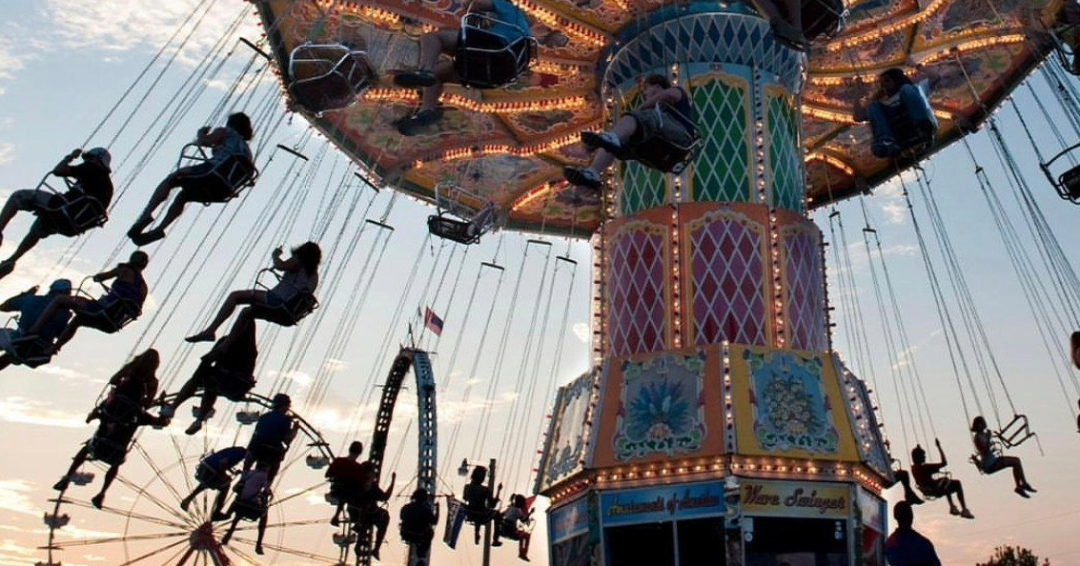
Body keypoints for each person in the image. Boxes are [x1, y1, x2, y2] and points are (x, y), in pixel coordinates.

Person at [392, 0, 568, 135]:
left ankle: (425, 69)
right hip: (498, 73)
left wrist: (473, 13)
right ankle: (426, 112)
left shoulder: (508, 7)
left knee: (432, 38)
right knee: (439, 76)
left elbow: (478, 3)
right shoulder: (523, 30)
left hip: (491, 48)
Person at [128, 112, 255, 245]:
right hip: (224, 189)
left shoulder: (225, 132)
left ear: (230, 123)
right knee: (184, 196)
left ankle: (146, 214)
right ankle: (160, 229)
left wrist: (201, 133)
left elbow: (204, 141)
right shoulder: (247, 150)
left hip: (212, 174)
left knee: (173, 178)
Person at [563, 74, 696, 190]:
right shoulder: (654, 113)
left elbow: (669, 94)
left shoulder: (676, 92)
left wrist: (641, 109)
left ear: (657, 86)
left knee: (634, 118)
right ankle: (593, 173)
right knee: (612, 144)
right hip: (660, 144)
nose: (644, 94)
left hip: (681, 136)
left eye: (646, 89)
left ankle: (612, 138)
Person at [0, 148, 113, 278]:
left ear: (95, 159)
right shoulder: (106, 185)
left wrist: (70, 157)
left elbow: (58, 171)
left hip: (64, 209)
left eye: (88, 158)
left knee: (18, 196)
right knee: (39, 227)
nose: (86, 161)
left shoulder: (92, 168)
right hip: (72, 224)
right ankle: (12, 260)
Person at [185, 242, 321, 344]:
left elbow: (280, 266)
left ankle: (211, 330)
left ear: (303, 253)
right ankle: (227, 344)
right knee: (248, 312)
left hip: (278, 300)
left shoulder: (299, 261)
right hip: (291, 312)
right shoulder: (314, 275)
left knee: (235, 296)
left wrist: (275, 255)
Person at [53, 389, 167, 509]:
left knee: (85, 449)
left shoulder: (111, 405)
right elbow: (161, 422)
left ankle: (67, 477)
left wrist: (94, 415)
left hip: (98, 446)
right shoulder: (140, 415)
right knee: (116, 464)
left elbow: (91, 417)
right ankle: (102, 493)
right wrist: (164, 408)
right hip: (115, 453)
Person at [25, 251, 149, 354]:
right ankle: (53, 348)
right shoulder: (144, 287)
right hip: (113, 322)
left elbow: (101, 277)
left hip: (100, 310)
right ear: (144, 265)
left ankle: (34, 330)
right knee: (79, 319)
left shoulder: (124, 269)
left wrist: (98, 277)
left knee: (60, 299)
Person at [159, 315, 258, 435]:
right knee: (211, 386)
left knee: (202, 377)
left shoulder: (227, 342)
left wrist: (206, 361)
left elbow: (210, 358)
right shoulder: (251, 350)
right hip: (237, 387)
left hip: (225, 379)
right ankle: (199, 420)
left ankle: (174, 406)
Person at [853, 67, 938, 159]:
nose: (883, 85)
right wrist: (859, 91)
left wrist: (916, 65)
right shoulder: (881, 103)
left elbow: (935, 77)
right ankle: (886, 140)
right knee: (872, 106)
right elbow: (858, 116)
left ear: (896, 79)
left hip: (914, 117)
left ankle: (923, 124)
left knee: (906, 89)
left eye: (886, 81)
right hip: (896, 130)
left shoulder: (912, 89)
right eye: (881, 84)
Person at [0, 279, 73, 370]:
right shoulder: (65, 314)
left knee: (13, 344)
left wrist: (25, 294)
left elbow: (4, 307)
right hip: (38, 350)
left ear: (51, 290)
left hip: (19, 340)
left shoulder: (31, 299)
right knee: (15, 353)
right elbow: (61, 335)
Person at [86, 349, 161, 425]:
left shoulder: (130, 368)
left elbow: (113, 380)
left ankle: (95, 413)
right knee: (156, 421)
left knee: (109, 399)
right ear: (156, 365)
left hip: (114, 403)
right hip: (130, 412)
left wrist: (121, 383)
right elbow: (147, 404)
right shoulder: (153, 381)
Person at [971, 415, 1036, 498]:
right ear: (976, 425)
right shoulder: (978, 437)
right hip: (989, 464)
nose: (982, 425)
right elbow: (985, 451)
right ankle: (1022, 485)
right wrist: (988, 438)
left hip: (993, 460)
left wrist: (989, 437)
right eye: (979, 424)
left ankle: (1021, 485)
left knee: (1016, 462)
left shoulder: (984, 434)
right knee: (1016, 461)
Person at [243, 393, 298, 485]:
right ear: (285, 406)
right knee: (276, 464)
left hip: (256, 448)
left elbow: (256, 434)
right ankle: (267, 488)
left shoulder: (264, 417)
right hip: (272, 450)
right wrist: (295, 429)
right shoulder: (285, 420)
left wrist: (249, 450)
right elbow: (287, 439)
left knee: (249, 460)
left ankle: (243, 478)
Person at [179, 446, 247, 519]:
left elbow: (222, 460)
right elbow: (223, 463)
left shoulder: (235, 449)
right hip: (212, 470)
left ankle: (188, 499)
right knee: (226, 484)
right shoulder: (240, 454)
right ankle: (217, 512)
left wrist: (232, 472)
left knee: (208, 481)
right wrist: (225, 475)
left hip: (206, 466)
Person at [909, 440, 973, 519]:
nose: (925, 457)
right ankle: (963, 509)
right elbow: (944, 462)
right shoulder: (925, 467)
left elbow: (925, 476)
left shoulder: (914, 469)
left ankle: (952, 506)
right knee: (956, 483)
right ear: (919, 457)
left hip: (929, 489)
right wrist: (939, 447)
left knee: (945, 482)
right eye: (923, 455)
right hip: (934, 489)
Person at [220, 462, 272, 555]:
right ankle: (259, 543)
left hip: (240, 505)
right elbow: (266, 492)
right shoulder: (265, 476)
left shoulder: (250, 473)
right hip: (252, 509)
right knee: (264, 513)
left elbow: (236, 487)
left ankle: (228, 532)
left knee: (239, 509)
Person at [349, 469, 396, 561]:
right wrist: (393, 481)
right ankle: (375, 548)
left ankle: (363, 545)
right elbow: (385, 497)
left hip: (359, 512)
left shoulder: (357, 484)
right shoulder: (368, 486)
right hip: (362, 512)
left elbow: (384, 497)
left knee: (370, 518)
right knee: (377, 517)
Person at [326, 440, 371, 526]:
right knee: (366, 496)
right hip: (351, 494)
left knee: (343, 496)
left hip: (337, 490)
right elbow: (363, 483)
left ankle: (336, 516)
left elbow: (327, 475)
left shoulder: (338, 461)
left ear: (349, 449)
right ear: (360, 452)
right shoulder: (358, 468)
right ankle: (359, 521)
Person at [883, 501, 941, 566]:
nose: (907, 516)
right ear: (896, 516)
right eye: (904, 513)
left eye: (909, 513)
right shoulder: (892, 543)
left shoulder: (924, 542)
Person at [462, 465, 498, 545]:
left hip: (471, 513)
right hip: (482, 515)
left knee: (477, 510)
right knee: (497, 514)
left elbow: (465, 498)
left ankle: (477, 532)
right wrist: (498, 491)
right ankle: (495, 538)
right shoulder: (485, 490)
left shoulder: (467, 487)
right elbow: (492, 504)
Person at [492, 493, 533, 561]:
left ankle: (495, 539)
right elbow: (523, 520)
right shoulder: (518, 510)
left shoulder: (510, 508)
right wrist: (530, 513)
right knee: (526, 535)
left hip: (503, 531)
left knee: (521, 533)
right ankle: (522, 553)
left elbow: (501, 515)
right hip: (511, 533)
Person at [399, 488, 439, 555]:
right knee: (430, 531)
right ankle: (422, 552)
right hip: (418, 535)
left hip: (405, 533)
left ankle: (420, 548)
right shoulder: (426, 510)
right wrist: (438, 509)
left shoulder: (406, 507)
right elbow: (435, 522)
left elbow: (401, 517)